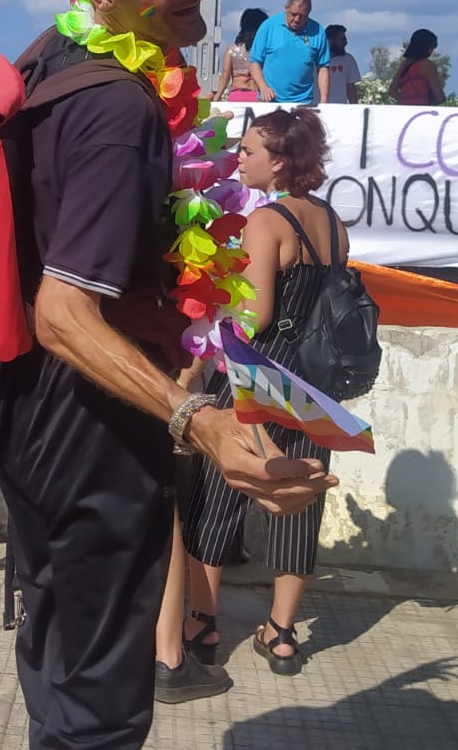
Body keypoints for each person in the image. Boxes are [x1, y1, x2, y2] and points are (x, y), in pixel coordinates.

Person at [0, 0, 333, 746]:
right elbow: (63, 310)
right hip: (89, 423)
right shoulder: (114, 106)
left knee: (64, 656)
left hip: (39, 415)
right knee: (100, 697)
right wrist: (202, 422)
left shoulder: (56, 58)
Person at [182, 108, 343, 678]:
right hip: (314, 385)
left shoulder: (267, 220)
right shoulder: (331, 219)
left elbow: (258, 314)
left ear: (278, 160)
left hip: (259, 375)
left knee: (217, 497)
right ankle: (280, 633)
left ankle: (202, 620)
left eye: (248, 151)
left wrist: (214, 325)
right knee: (299, 497)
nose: (240, 159)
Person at [249, 0, 331, 106]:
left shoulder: (318, 31)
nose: (297, 19)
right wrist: (263, 87)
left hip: (303, 102)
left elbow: (323, 67)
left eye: (302, 16)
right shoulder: (268, 26)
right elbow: (254, 62)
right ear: (286, 8)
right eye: (293, 14)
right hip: (269, 101)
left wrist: (324, 100)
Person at [212, 8, 269, 104]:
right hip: (258, 96)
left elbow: (225, 77)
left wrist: (216, 98)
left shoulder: (231, 49)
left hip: (237, 95)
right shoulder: (265, 51)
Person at [388, 29, 446, 106]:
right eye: (434, 45)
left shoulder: (404, 65)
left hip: (403, 111)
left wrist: (405, 101)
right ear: (427, 46)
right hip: (421, 112)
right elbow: (440, 97)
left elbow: (392, 91)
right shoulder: (428, 65)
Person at [324, 24, 360, 106]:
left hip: (340, 110)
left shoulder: (348, 59)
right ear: (330, 40)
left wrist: (355, 109)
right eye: (342, 40)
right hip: (317, 108)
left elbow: (351, 88)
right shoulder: (315, 60)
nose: (346, 43)